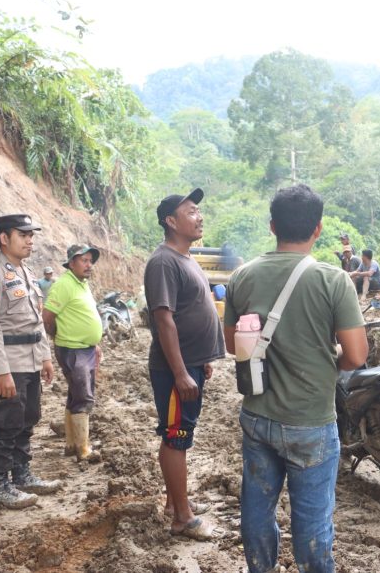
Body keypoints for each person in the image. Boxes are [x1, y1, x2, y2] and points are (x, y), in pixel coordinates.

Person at [224, 184, 368, 573]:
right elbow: (355, 356)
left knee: (256, 511)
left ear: (273, 226)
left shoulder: (242, 277)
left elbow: (232, 346)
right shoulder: (334, 281)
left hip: (257, 417)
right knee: (312, 524)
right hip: (311, 423)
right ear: (318, 229)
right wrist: (325, 360)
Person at [144, 188, 224, 541]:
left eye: (199, 210)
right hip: (176, 370)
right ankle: (183, 518)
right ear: (171, 221)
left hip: (191, 364)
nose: (199, 216)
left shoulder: (186, 258)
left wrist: (201, 359)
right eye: (191, 211)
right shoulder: (163, 261)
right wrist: (179, 372)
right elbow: (164, 320)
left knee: (181, 433)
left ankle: (174, 503)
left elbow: (192, 310)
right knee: (176, 436)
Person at [0, 214, 61, 510]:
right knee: (5, 423)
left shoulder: (27, 273)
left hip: (30, 361)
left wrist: (45, 357)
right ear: (4, 238)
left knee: (28, 419)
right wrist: (0, 371)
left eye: (32, 235)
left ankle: (21, 474)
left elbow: (37, 322)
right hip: (9, 363)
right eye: (23, 234)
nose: (30, 240)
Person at [42, 245, 103, 462]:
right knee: (83, 396)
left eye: (90, 261)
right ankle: (83, 448)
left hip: (84, 348)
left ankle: (71, 444)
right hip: (72, 349)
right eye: (84, 260)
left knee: (75, 394)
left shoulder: (82, 284)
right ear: (71, 263)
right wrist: (59, 337)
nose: (89, 265)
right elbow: (47, 316)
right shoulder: (64, 285)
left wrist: (94, 342)